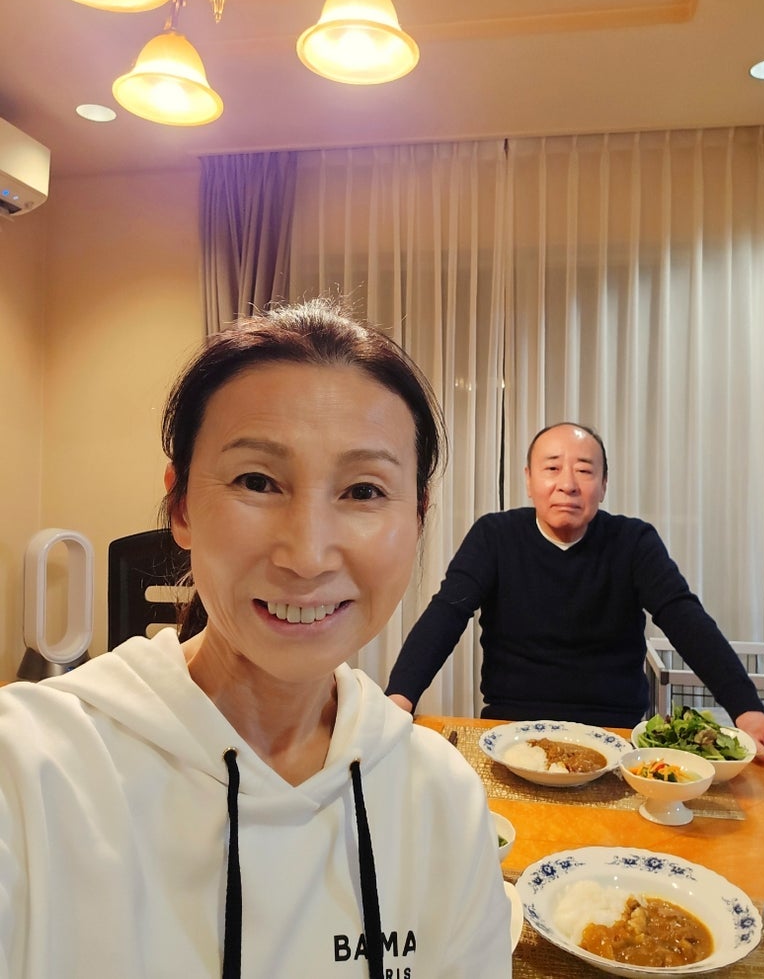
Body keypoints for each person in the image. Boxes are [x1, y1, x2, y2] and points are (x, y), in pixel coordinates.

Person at [0, 298, 512, 978]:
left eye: (363, 491)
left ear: (418, 517)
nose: (308, 554)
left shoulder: (442, 800)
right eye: (258, 481)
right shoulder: (30, 775)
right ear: (181, 504)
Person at [387, 421, 764, 774]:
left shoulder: (634, 542)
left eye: (584, 470)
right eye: (552, 468)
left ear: (603, 485)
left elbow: (684, 617)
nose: (567, 484)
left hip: (616, 736)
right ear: (529, 480)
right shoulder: (494, 536)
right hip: (512, 731)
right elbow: (447, 612)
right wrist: (399, 698)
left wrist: (747, 710)